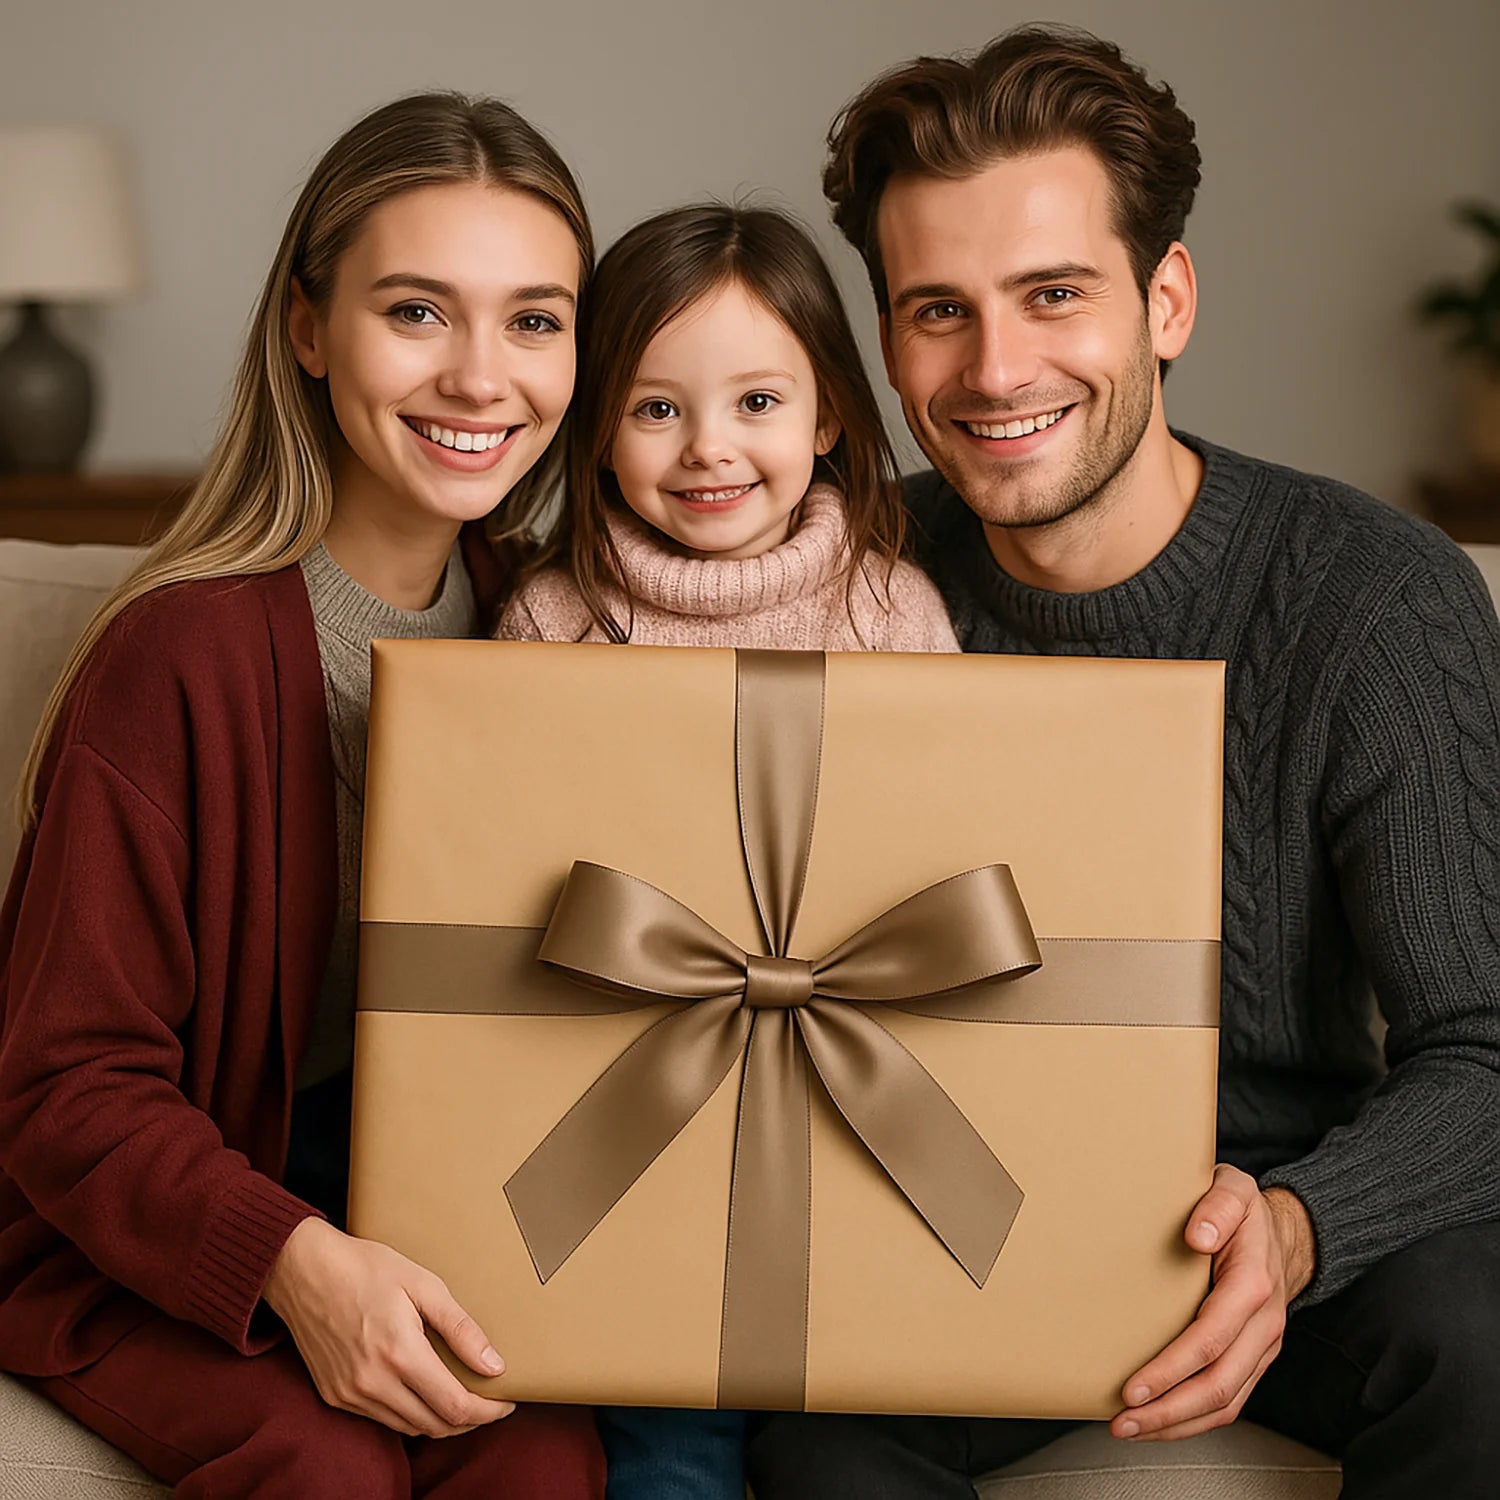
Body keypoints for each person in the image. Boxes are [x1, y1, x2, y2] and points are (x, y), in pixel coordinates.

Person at [744, 24, 1500, 1500]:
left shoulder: (1373, 599)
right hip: (943, 1230)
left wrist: (1296, 1227)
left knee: (1484, 1347)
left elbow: (1486, 1048)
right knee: (805, 1452)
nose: (996, 366)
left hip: (1290, 1219)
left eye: (1053, 295)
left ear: (1166, 300)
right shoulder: (840, 578)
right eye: (936, 311)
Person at [0, 93, 605, 1498]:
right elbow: (63, 1081)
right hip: (143, 1236)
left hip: (439, 1225)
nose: (480, 377)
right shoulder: (178, 656)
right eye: (416, 312)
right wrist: (295, 1262)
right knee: (318, 1458)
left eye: (534, 319)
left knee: (551, 1456)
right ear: (306, 327)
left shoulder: (560, 630)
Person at [499, 202, 957, 1497]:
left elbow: (949, 850)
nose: (709, 449)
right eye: (654, 410)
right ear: (596, 426)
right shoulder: (551, 618)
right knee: (666, 1443)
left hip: (847, 1098)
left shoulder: (893, 609)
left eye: (757, 402)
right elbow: (498, 881)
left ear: (826, 419)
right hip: (631, 1119)